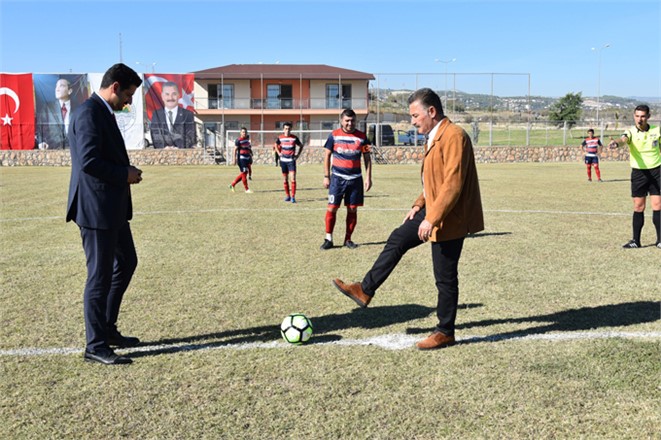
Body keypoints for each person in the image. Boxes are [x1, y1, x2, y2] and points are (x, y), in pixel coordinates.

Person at [332, 88, 484, 350]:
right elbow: (432, 182)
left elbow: (452, 184)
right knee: (398, 237)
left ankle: (445, 331)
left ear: (432, 112)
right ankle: (365, 289)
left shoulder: (454, 136)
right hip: (434, 209)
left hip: (451, 216)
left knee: (445, 277)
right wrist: (419, 205)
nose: (412, 121)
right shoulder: (434, 137)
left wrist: (432, 218)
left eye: (415, 116)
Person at [66, 63, 144, 365]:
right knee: (99, 277)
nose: (129, 101)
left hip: (111, 208)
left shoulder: (101, 112)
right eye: (128, 94)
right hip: (96, 209)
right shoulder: (88, 113)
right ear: (114, 87)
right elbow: (88, 161)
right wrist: (124, 173)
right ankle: (95, 346)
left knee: (126, 262)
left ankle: (108, 330)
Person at [608, 104, 661, 249]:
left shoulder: (657, 131)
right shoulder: (630, 132)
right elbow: (623, 140)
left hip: (657, 171)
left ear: (648, 117)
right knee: (639, 206)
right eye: (637, 116)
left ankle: (660, 240)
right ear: (634, 116)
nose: (640, 119)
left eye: (643, 116)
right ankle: (636, 241)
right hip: (639, 173)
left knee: (657, 205)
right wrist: (615, 143)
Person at [320, 109, 372, 250]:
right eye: (347, 120)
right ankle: (328, 239)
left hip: (355, 179)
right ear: (341, 121)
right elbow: (327, 156)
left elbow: (367, 158)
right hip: (337, 179)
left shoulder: (362, 137)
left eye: (352, 120)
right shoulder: (334, 136)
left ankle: (348, 239)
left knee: (353, 209)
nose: (350, 123)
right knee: (332, 208)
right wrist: (326, 176)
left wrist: (368, 177)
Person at [149, 81, 196, 149]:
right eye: (167, 94)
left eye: (174, 94)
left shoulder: (188, 114)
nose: (170, 98)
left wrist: (178, 148)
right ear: (162, 96)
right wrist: (164, 148)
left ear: (178, 95)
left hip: (182, 154)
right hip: (162, 154)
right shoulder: (156, 114)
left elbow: (190, 136)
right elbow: (155, 134)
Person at [37, 78, 74, 149]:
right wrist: (41, 142)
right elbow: (39, 128)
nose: (57, 89)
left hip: (74, 150)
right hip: (53, 149)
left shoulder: (78, 109)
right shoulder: (47, 108)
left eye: (61, 86)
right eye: (56, 86)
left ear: (69, 91)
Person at [275, 122, 304, 203]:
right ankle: (287, 195)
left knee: (293, 178)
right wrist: (279, 153)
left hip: (291, 161)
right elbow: (275, 145)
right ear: (283, 129)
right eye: (286, 129)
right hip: (283, 161)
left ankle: (293, 197)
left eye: (288, 129)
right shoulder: (280, 138)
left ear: (291, 129)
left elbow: (301, 145)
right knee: (285, 179)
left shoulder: (294, 138)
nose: (287, 130)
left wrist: (297, 155)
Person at [229, 127, 253, 193]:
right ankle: (247, 189)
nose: (244, 133)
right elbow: (235, 150)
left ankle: (232, 185)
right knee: (244, 173)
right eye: (243, 132)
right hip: (241, 159)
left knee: (244, 173)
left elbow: (248, 148)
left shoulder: (247, 140)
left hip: (247, 158)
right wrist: (234, 159)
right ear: (240, 133)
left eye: (245, 132)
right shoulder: (238, 140)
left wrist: (251, 154)